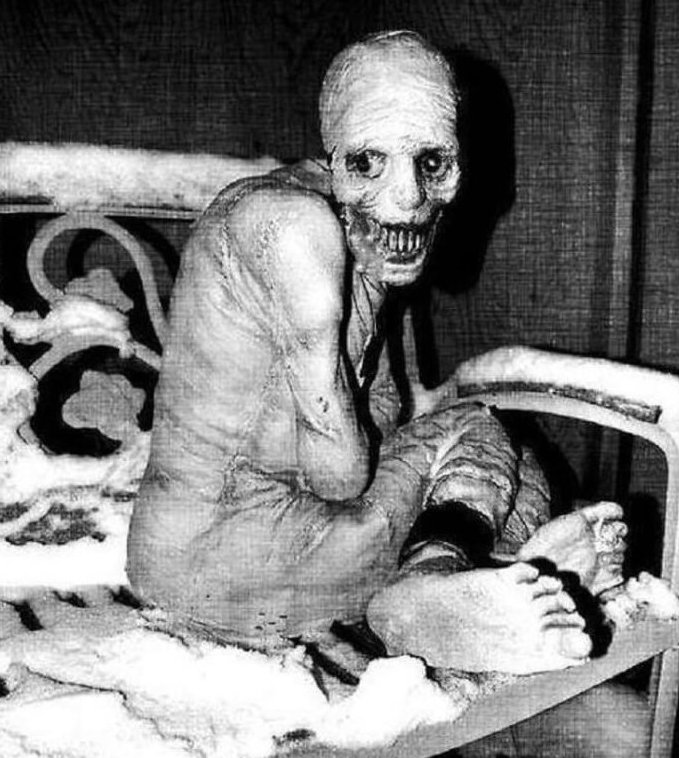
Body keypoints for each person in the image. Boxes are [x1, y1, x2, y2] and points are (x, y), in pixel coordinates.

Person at [127, 30, 646, 755]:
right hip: (219, 561)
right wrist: (426, 446)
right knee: (478, 429)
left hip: (254, 548)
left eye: (431, 164)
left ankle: (482, 579)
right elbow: (338, 473)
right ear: (333, 154)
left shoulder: (347, 228)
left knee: (506, 460)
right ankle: (436, 585)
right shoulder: (294, 228)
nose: (406, 198)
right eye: (368, 163)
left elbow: (389, 413)